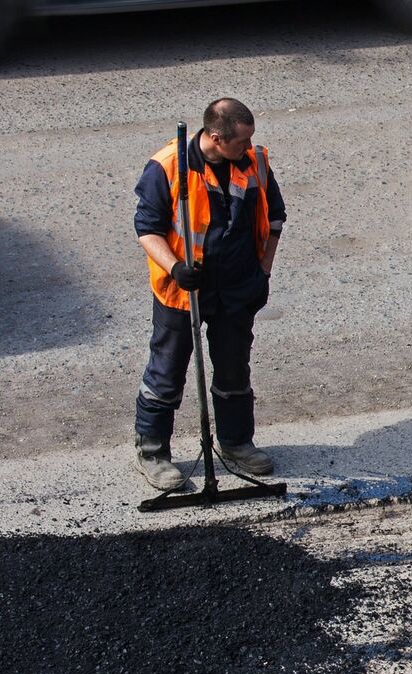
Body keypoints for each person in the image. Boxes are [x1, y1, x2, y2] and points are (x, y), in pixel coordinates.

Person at [131, 98, 286, 489]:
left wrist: (262, 273)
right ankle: (152, 452)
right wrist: (176, 268)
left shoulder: (256, 161)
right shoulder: (168, 167)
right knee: (166, 370)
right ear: (216, 138)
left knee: (234, 367)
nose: (248, 147)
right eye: (241, 141)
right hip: (183, 289)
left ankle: (236, 443)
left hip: (236, 287)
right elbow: (147, 230)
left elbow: (275, 221)